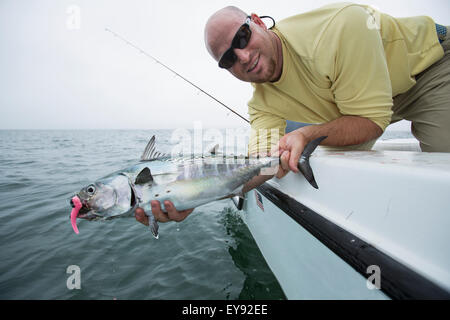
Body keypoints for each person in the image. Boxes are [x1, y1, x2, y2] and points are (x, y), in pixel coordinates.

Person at [136, 2, 449, 227]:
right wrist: (192, 198)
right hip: (366, 101)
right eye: (228, 59)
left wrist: (306, 134)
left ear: (257, 20)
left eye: (242, 38)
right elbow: (261, 165)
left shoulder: (339, 28)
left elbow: (371, 122)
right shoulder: (262, 105)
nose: (243, 57)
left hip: (429, 66)